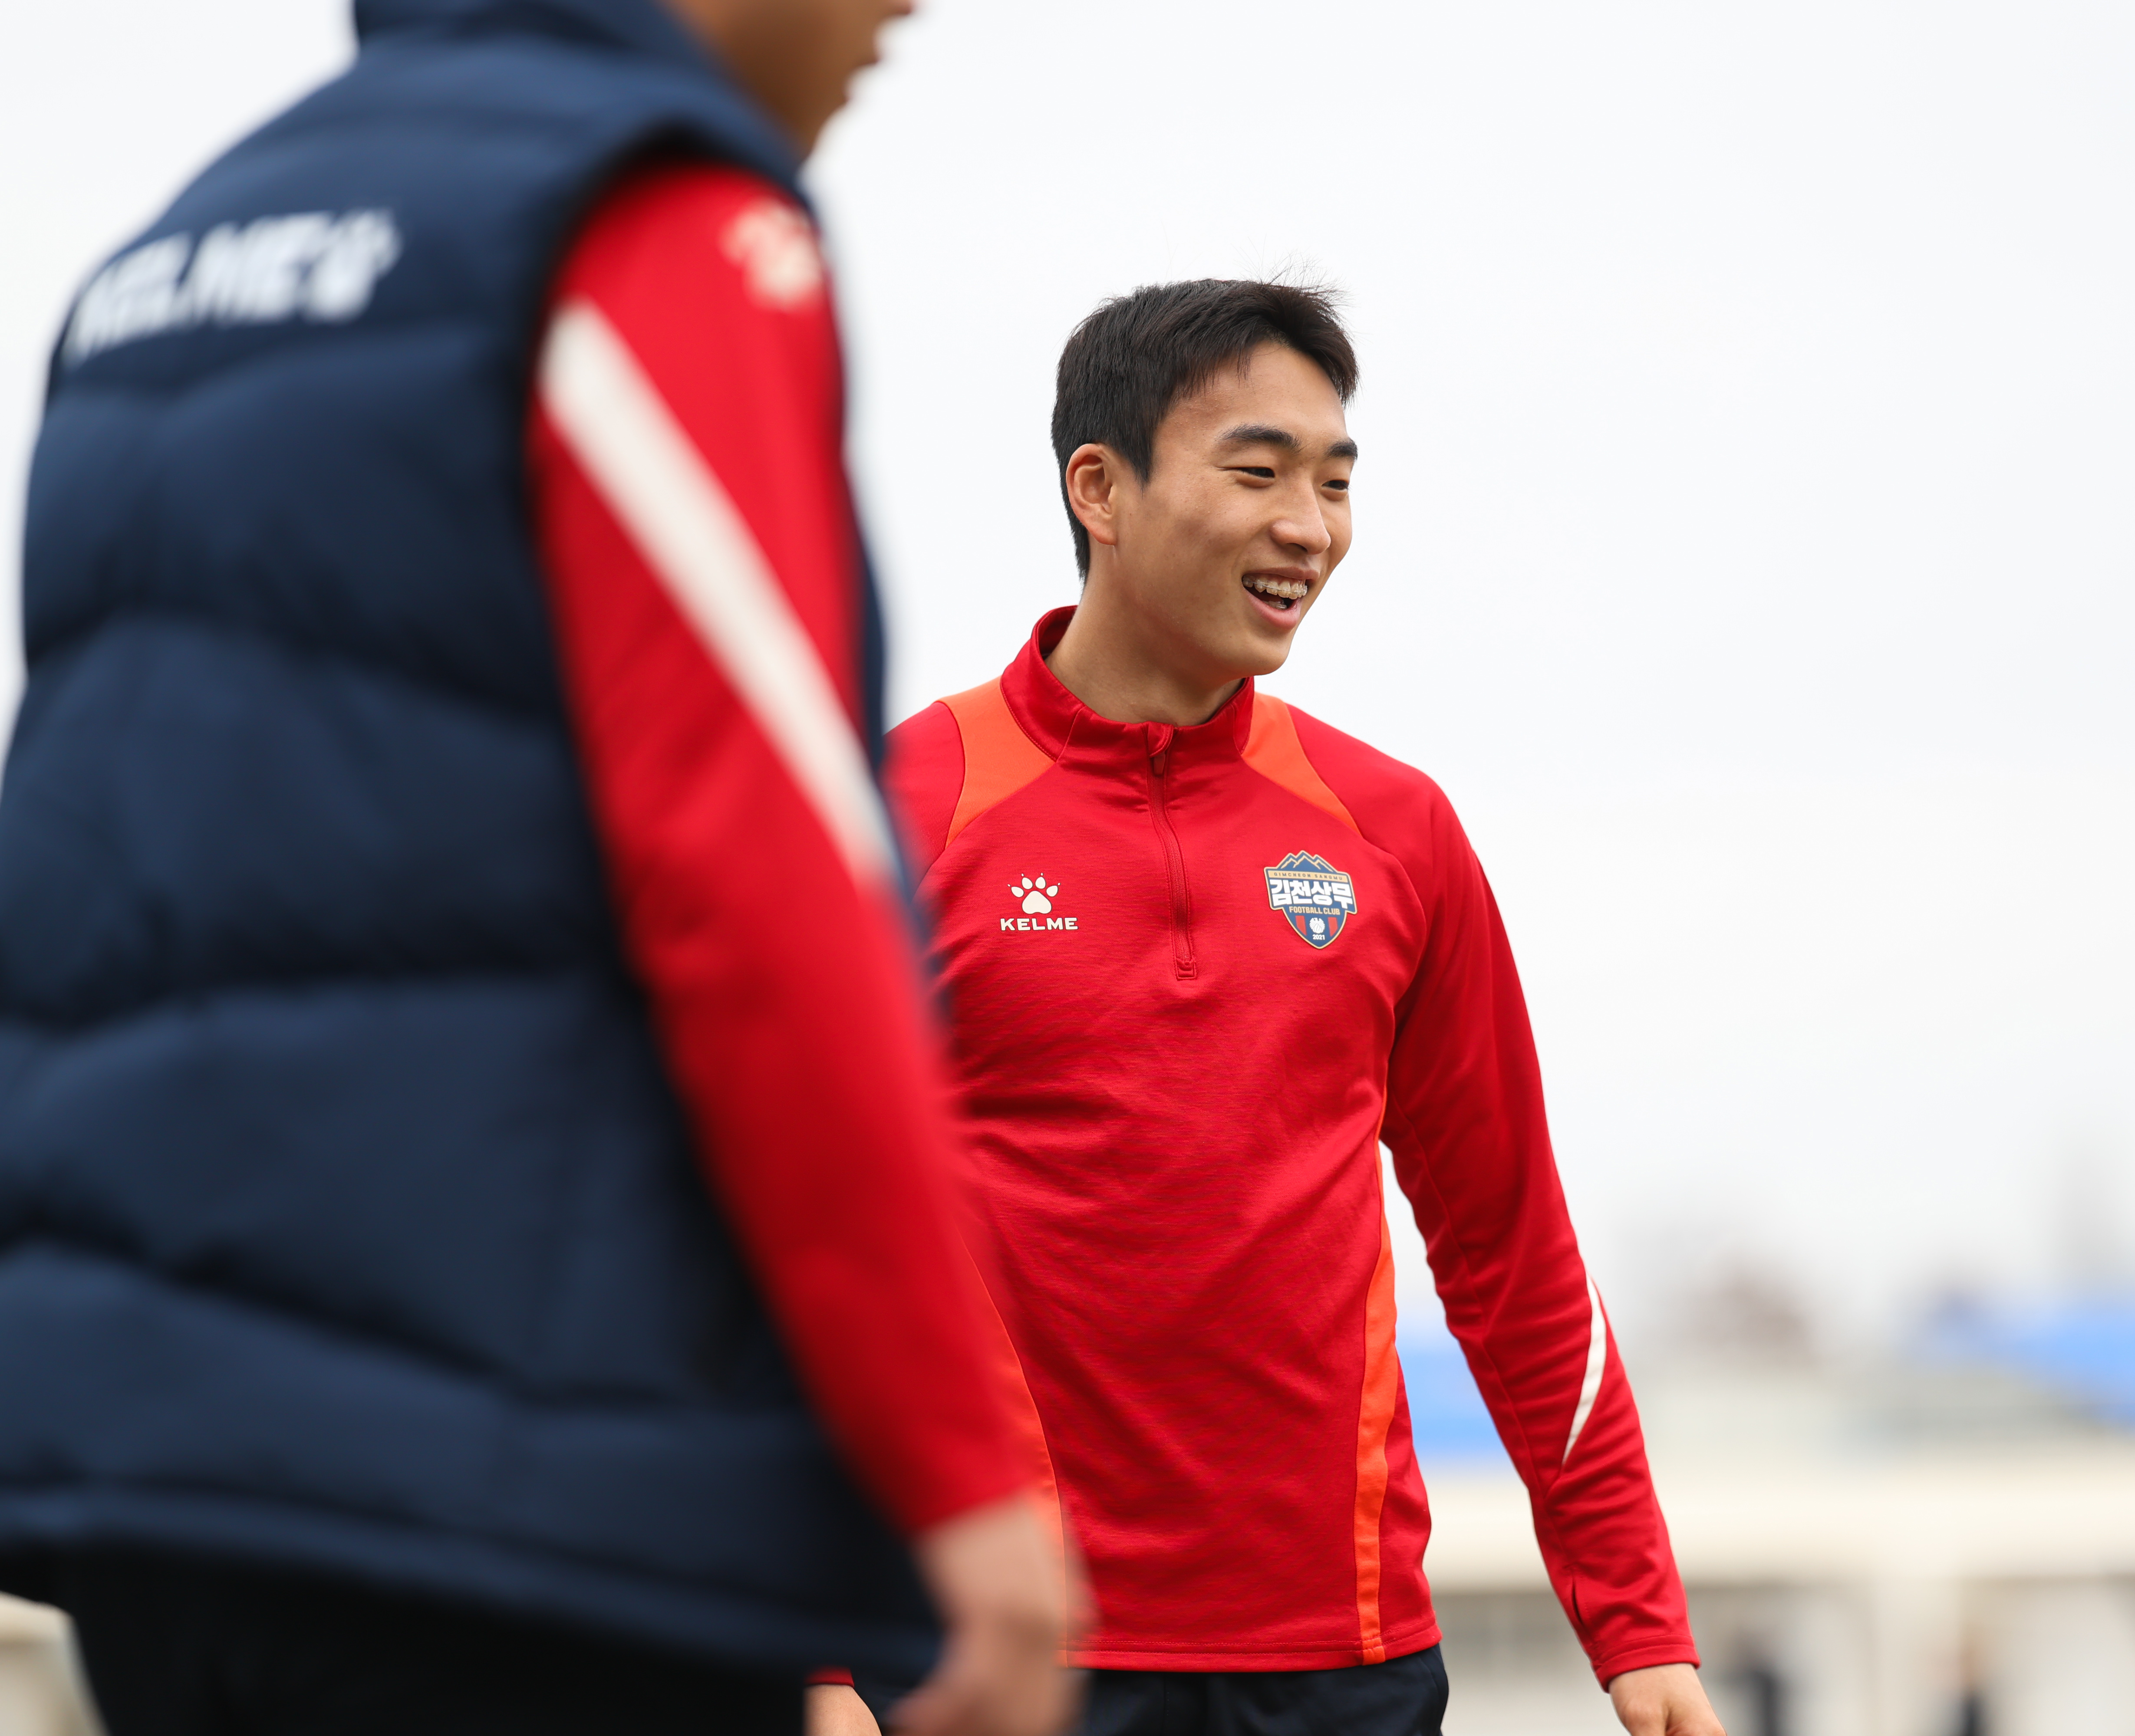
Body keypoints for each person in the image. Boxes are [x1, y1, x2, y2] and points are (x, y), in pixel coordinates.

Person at [0, 1, 1069, 1731]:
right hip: (525, 1501)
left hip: (154, 1487)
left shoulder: (159, 273)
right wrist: (956, 1473)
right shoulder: (640, 213)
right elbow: (766, 877)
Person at [871, 279, 1727, 1736]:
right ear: (1102, 490)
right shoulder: (906, 807)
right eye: (1259, 472)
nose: (1310, 528)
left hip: (1346, 1660)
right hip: (996, 1657)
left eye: (1335, 483)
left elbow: (1513, 1251)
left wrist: (1639, 1625)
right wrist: (820, 1659)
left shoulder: (1394, 829)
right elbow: (781, 1239)